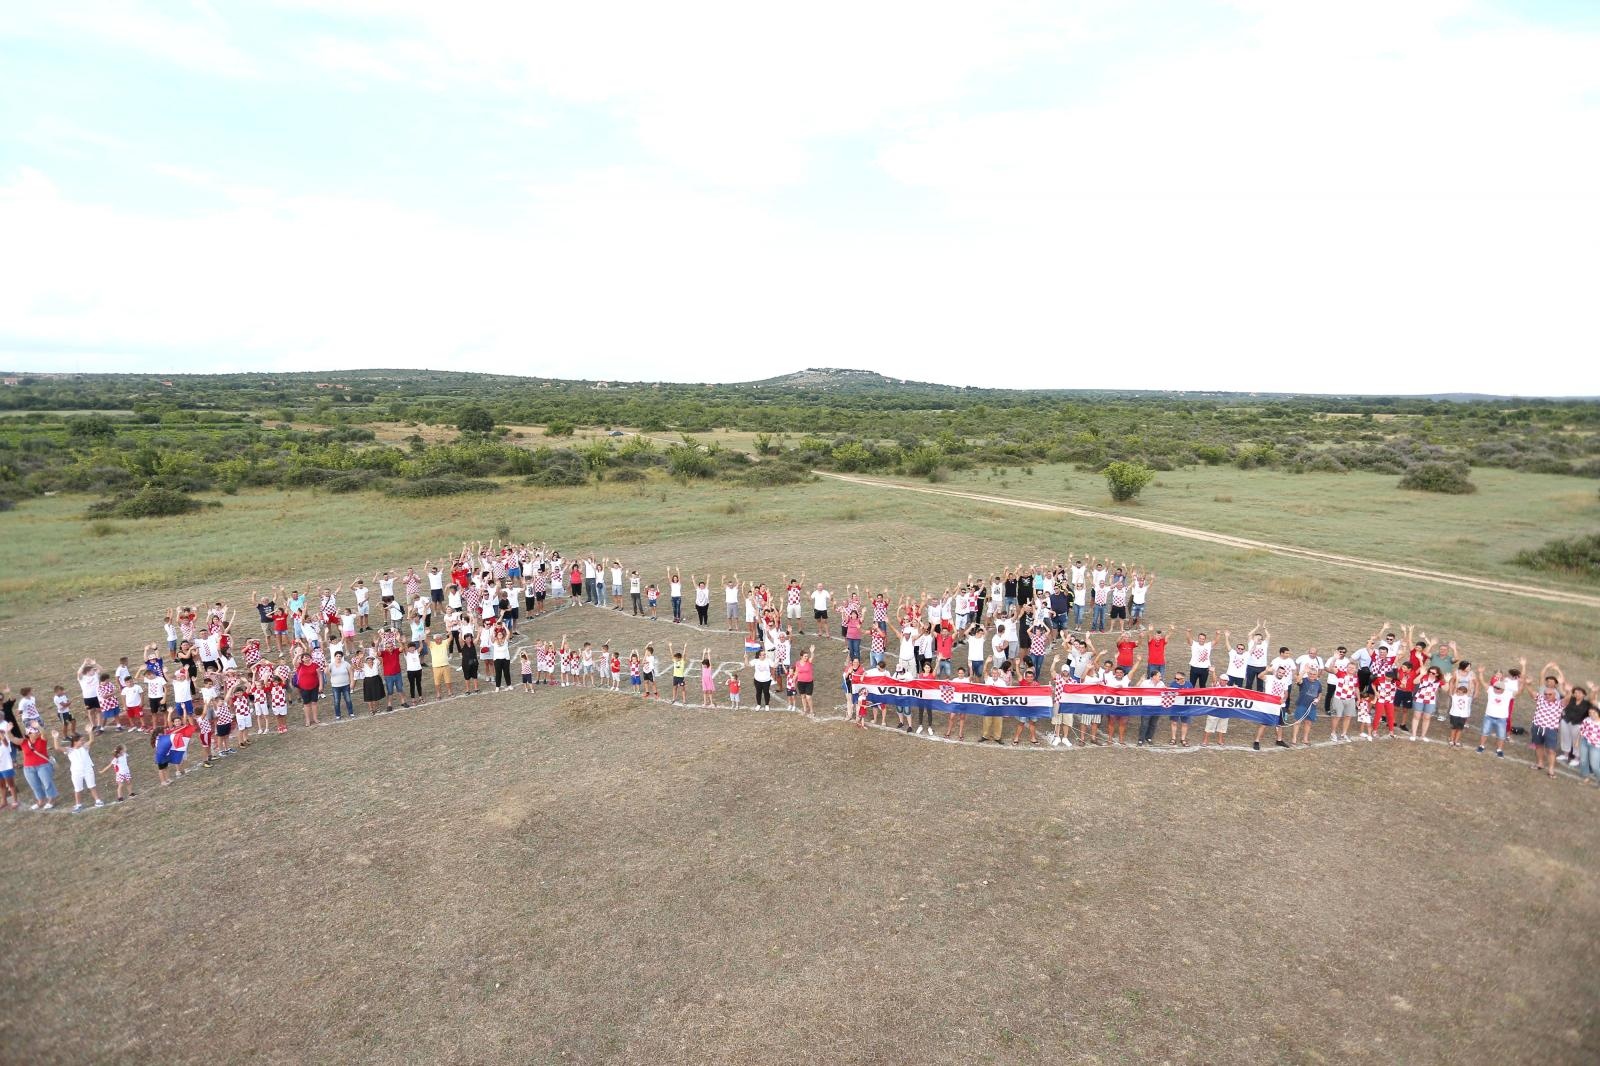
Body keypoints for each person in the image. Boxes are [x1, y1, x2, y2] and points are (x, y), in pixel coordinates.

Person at [1529, 664, 1569, 779]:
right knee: (1538, 746)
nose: (1546, 695)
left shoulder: (1559, 703)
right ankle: (1540, 763)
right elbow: (1532, 693)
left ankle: (1551, 769)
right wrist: (1528, 684)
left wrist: (1568, 690)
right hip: (1537, 726)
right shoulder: (1541, 698)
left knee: (1551, 750)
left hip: (1550, 729)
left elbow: (1567, 698)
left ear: (1555, 695)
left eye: (1549, 694)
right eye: (1545, 694)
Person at [54, 728, 103, 811]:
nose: (83, 741)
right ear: (75, 742)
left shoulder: (85, 747)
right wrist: (55, 738)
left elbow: (91, 740)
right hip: (76, 772)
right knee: (78, 789)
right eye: (81, 740)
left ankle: (98, 801)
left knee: (92, 786)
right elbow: (57, 747)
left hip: (88, 770)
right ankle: (78, 805)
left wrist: (90, 732)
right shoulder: (69, 750)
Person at [1476, 668, 1513, 758]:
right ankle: (1481, 746)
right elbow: (1482, 681)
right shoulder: (1491, 690)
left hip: (1501, 718)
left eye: (1498, 688)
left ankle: (1499, 750)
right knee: (1484, 732)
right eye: (1495, 687)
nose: (1496, 689)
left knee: (1501, 735)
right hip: (1489, 716)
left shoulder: (1508, 694)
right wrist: (1481, 673)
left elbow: (1519, 691)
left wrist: (1525, 683)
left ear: (1502, 689)